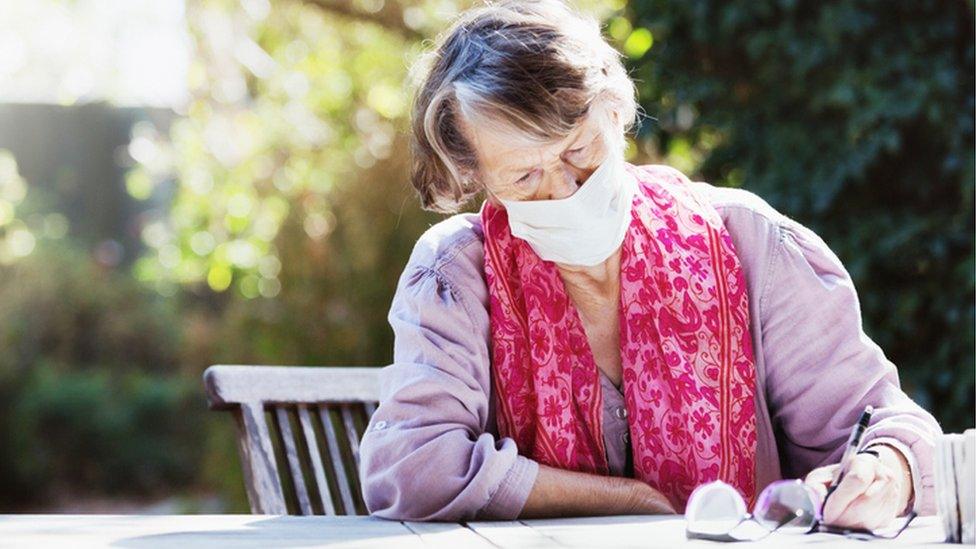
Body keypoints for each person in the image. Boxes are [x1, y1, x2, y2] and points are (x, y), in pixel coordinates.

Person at [358, 0, 942, 530]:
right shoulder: (457, 274)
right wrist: (625, 498)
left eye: (578, 150)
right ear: (477, 180)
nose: (565, 191)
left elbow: (884, 425)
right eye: (524, 176)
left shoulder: (748, 242)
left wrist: (884, 469)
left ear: (615, 113)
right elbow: (413, 465)